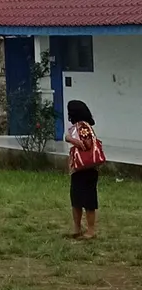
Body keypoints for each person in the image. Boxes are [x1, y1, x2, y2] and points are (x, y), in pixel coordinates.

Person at [65, 99, 104, 239]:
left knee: (87, 200)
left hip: (87, 169)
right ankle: (77, 228)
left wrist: (70, 139)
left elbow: (86, 145)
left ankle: (91, 230)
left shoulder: (83, 127)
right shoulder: (77, 127)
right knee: (76, 200)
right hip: (79, 169)